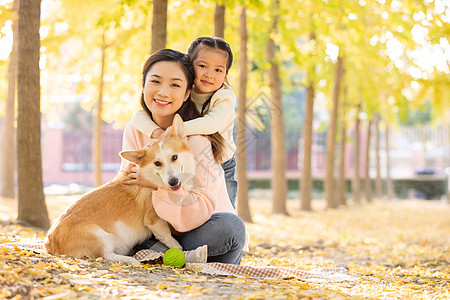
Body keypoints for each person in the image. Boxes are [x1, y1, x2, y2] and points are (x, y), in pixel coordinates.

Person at [120, 49, 247, 265]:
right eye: (156, 81)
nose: (163, 92)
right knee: (127, 232)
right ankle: (178, 258)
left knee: (231, 227)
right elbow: (128, 186)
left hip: (198, 229)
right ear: (143, 86)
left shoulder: (196, 140)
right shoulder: (135, 129)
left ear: (188, 93)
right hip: (153, 227)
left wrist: (156, 184)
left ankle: (169, 255)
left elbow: (197, 210)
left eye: (175, 85)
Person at [130, 37, 238, 208]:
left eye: (218, 70)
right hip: (189, 156)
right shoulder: (182, 88)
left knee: (223, 209)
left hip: (223, 163)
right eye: (202, 66)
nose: (209, 74)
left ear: (226, 75)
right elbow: (137, 117)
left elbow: (212, 124)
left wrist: (173, 131)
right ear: (190, 64)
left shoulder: (224, 97)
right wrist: (158, 133)